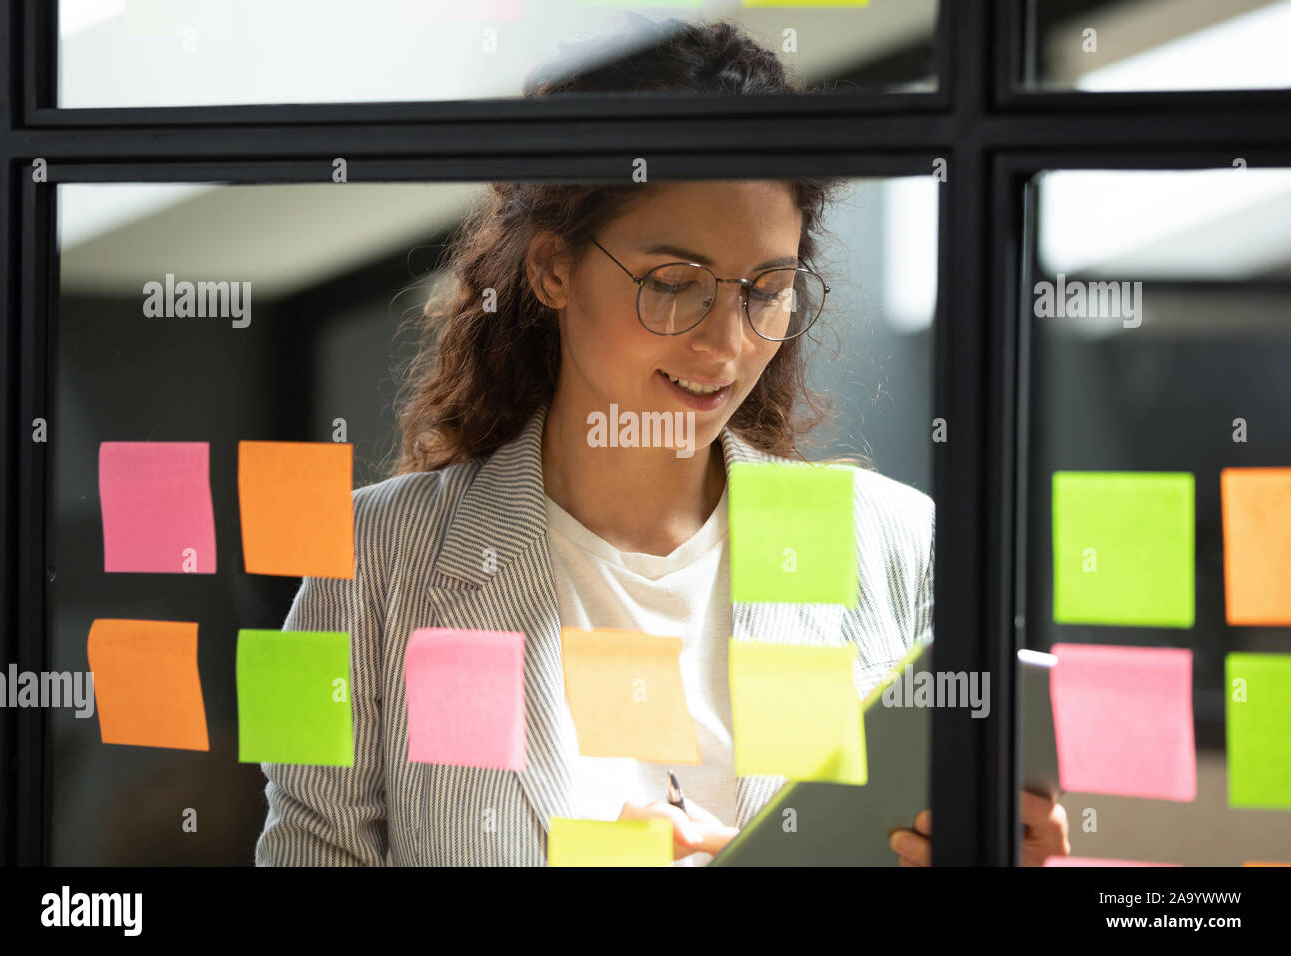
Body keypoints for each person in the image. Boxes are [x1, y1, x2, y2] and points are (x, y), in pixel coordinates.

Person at [255, 17, 1069, 867]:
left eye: (767, 289)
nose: (725, 344)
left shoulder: (898, 546)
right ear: (553, 270)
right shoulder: (370, 560)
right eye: (674, 284)